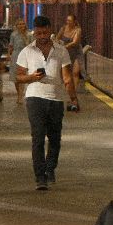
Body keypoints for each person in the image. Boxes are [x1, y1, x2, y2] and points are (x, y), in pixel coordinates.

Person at [15, 15, 71, 190]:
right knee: (37, 138)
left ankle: (50, 167)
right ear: (34, 33)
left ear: (50, 30)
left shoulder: (61, 50)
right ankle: (40, 177)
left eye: (45, 32)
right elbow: (18, 76)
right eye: (38, 33)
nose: (42, 36)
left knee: (55, 138)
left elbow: (67, 77)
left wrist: (73, 98)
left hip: (55, 98)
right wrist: (31, 77)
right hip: (34, 97)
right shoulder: (27, 51)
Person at [56, 13, 85, 112]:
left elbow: (75, 42)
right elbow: (57, 38)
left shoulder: (78, 30)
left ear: (74, 22)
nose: (68, 22)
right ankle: (70, 93)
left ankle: (74, 93)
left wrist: (64, 46)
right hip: (66, 54)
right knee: (66, 76)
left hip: (76, 52)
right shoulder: (63, 28)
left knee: (76, 72)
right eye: (67, 20)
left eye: (70, 21)